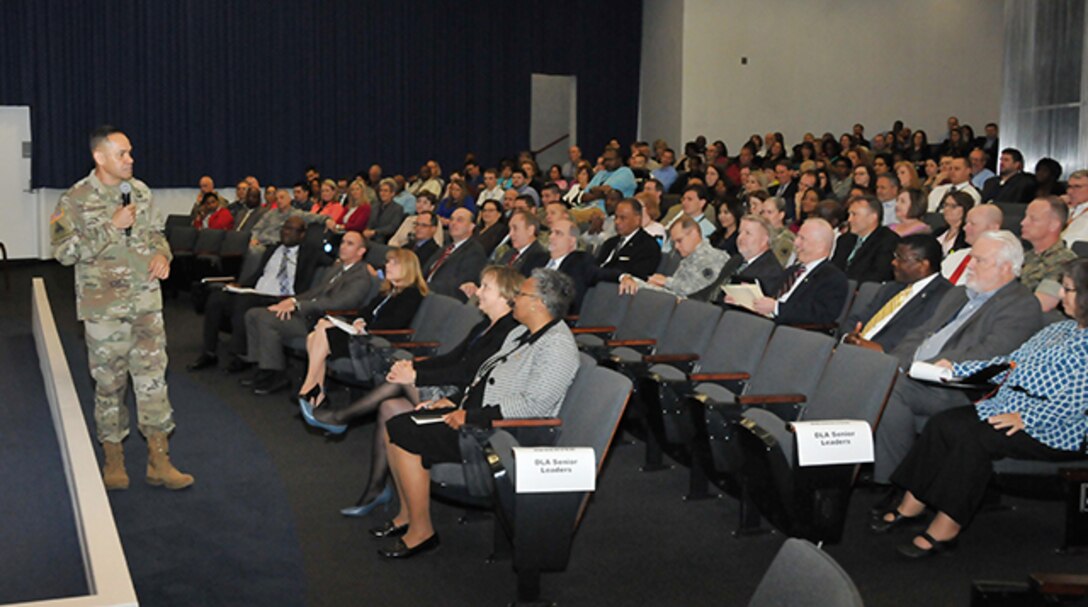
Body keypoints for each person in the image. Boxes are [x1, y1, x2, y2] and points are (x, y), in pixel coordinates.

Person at [874, 259, 1088, 558]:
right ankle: (913, 503)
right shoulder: (1058, 328)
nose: (1062, 295)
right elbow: (1009, 363)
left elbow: (1078, 401)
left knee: (973, 439)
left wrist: (1027, 418)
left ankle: (947, 526)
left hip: (1055, 427)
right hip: (1010, 406)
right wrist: (958, 368)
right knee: (944, 423)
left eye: (1069, 290)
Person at [375, 269, 579, 558]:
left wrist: (471, 417)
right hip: (482, 417)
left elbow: (533, 406)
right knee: (398, 424)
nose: (515, 299)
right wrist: (452, 401)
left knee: (405, 430)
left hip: (503, 434)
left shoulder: (557, 345)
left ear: (538, 304)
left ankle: (422, 532)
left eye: (521, 294)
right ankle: (408, 515)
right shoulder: (523, 333)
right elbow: (482, 380)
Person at [300, 266, 522, 517]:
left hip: (463, 398)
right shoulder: (484, 326)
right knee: (389, 407)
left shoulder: (508, 332)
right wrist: (415, 366)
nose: (478, 292)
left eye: (485, 288)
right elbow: (450, 359)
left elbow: (466, 374)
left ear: (504, 295)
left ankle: (341, 417)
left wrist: (416, 375)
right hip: (453, 386)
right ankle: (376, 488)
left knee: (400, 381)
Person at [50, 125, 193, 491]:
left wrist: (163, 254)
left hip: (146, 304)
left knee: (153, 382)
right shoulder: (75, 199)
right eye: (122, 154)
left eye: (130, 153)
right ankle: (113, 458)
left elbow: (156, 234)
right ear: (100, 157)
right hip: (104, 312)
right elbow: (64, 253)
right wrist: (110, 228)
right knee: (110, 385)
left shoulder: (140, 192)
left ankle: (159, 459)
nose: (131, 159)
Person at [873, 230, 1044, 486]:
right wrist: (895, 364)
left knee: (889, 389)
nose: (970, 266)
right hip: (917, 375)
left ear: (1006, 267)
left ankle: (893, 481)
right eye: (971, 258)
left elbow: (988, 354)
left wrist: (917, 370)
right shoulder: (958, 294)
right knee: (867, 373)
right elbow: (919, 334)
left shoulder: (1020, 305)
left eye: (979, 260)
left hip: (958, 388)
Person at [243, 231, 374, 395]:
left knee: (264, 319)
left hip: (322, 321)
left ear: (361, 251)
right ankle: (260, 366)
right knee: (253, 314)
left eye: (350, 244)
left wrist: (298, 305)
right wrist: (291, 301)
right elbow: (315, 292)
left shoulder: (361, 276)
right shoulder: (338, 268)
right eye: (342, 242)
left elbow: (339, 303)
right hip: (310, 313)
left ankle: (273, 374)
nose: (343, 247)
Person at [296, 248, 427, 406]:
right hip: (362, 335)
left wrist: (365, 327)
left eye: (394, 263)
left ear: (408, 268)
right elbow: (365, 312)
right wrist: (359, 320)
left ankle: (310, 388)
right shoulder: (387, 292)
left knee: (322, 332)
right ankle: (316, 392)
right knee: (318, 331)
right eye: (388, 262)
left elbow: (395, 323)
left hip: (376, 343)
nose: (388, 266)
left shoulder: (411, 294)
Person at [843, 235, 953, 353]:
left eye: (901, 258)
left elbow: (918, 339)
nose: (894, 262)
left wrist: (874, 348)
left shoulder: (945, 296)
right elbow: (855, 320)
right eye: (895, 256)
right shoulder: (891, 288)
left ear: (923, 265)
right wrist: (849, 337)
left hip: (884, 361)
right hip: (851, 352)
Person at [619, 216, 729, 299]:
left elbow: (693, 290)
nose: (676, 247)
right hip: (680, 304)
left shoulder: (711, 258)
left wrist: (665, 281)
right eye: (674, 242)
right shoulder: (690, 257)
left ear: (694, 233)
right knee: (632, 283)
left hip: (692, 309)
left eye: (679, 240)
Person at [595, 197, 662, 282]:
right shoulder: (610, 242)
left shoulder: (648, 246)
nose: (617, 222)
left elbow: (637, 276)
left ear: (637, 220)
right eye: (616, 217)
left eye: (623, 218)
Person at [941, 204, 1004, 285]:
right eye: (966, 223)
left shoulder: (999, 263)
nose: (964, 228)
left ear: (993, 228)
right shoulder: (956, 256)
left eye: (972, 224)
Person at [933, 190, 973, 257]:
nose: (947, 209)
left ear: (966, 209)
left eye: (953, 206)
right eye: (945, 205)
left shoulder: (967, 236)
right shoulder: (939, 231)